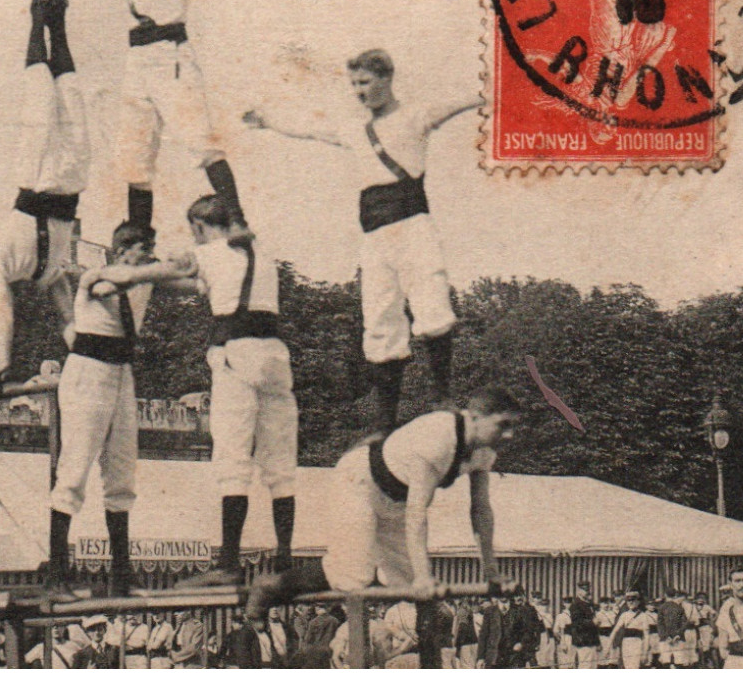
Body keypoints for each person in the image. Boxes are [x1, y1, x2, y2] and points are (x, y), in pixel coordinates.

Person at [14, 0, 293, 229]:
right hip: (137, 63)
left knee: (198, 140)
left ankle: (237, 221)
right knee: (134, 157)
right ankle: (141, 240)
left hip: (170, 57)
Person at [244, 50, 481, 430]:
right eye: (353, 84)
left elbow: (466, 98)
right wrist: (267, 120)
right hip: (374, 237)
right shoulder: (353, 129)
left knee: (433, 308)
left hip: (413, 226)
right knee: (380, 320)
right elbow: (308, 127)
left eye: (365, 82)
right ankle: (385, 422)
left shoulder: (415, 116)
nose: (359, 91)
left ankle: (441, 397)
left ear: (387, 78)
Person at [245, 388, 521, 624]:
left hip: (395, 503)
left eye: (513, 426)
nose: (509, 435)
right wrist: (424, 577)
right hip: (359, 484)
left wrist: (491, 571)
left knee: (410, 588)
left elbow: (480, 510)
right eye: (502, 425)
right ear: (474, 417)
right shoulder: (440, 435)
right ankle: (270, 586)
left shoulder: (485, 450)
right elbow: (417, 513)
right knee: (353, 576)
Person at [46, 222, 192, 596]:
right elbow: (111, 285)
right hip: (88, 369)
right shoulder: (98, 275)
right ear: (124, 251)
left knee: (122, 471)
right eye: (146, 248)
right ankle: (57, 573)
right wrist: (165, 267)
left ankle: (121, 573)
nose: (151, 255)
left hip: (121, 372)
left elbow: (186, 282)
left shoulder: (142, 277)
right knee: (75, 468)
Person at [173, 193, 296, 586]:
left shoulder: (208, 252)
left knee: (232, 460)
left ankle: (228, 561)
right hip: (275, 356)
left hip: (235, 353)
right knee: (281, 466)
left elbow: (177, 277)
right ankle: (285, 560)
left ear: (199, 226)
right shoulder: (261, 252)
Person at [0, 0, 88, 379]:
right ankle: (57, 21)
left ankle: (37, 15)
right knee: (68, 91)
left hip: (41, 179)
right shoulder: (50, 275)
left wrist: (4, 360)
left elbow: (2, 310)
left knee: (42, 93)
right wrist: (86, 357)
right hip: (69, 180)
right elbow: (69, 319)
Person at [558, 580, 602, 668]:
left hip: (591, 641)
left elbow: (594, 628)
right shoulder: (575, 605)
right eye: (584, 590)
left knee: (592, 666)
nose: (587, 592)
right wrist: (592, 622)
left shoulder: (588, 604)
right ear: (579, 591)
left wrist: (597, 642)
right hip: (583, 640)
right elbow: (577, 623)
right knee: (585, 666)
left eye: (588, 589)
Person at [608, 590, 657, 669]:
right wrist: (608, 647)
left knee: (635, 666)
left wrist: (645, 652)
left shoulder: (643, 616)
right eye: (628, 601)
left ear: (638, 602)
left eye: (633, 600)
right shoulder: (624, 615)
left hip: (637, 644)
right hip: (626, 644)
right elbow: (615, 631)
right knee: (627, 666)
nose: (630, 603)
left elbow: (647, 635)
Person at [505, 586, 544, 667]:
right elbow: (508, 630)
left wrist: (538, 642)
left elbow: (537, 628)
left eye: (520, 595)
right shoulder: (510, 612)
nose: (518, 598)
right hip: (515, 647)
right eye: (516, 596)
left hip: (528, 646)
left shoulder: (530, 609)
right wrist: (513, 644)